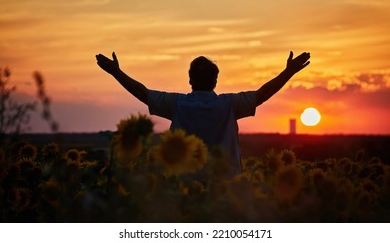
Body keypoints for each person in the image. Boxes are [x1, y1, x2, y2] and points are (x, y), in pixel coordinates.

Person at [96, 51, 310, 175]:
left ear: (190, 80)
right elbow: (262, 94)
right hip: (226, 187)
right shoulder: (230, 104)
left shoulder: (177, 104)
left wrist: (116, 72)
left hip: (185, 188)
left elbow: (143, 93)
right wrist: (289, 71)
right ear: (216, 80)